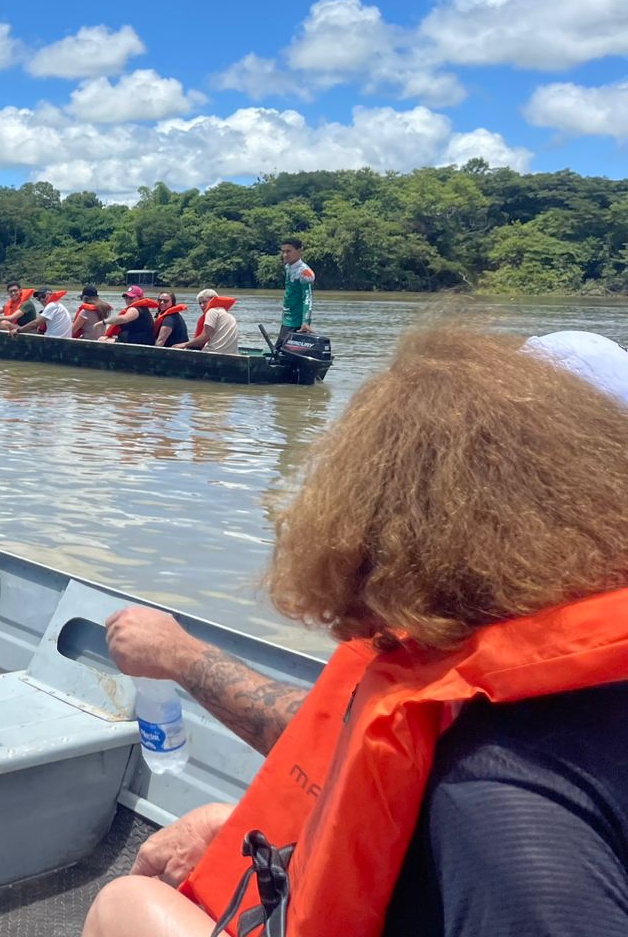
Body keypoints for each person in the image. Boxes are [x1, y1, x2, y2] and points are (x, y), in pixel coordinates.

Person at [84, 328, 628, 937]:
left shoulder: (506, 791)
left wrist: (182, 658)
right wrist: (235, 820)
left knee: (125, 905)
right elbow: (345, 746)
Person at [278, 238, 315, 344]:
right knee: (278, 352)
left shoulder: (305, 272)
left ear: (299, 251)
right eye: (283, 251)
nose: (285, 255)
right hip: (287, 318)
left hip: (296, 322)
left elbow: (308, 298)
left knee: (282, 353)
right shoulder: (288, 267)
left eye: (289, 251)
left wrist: (306, 322)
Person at [181, 289, 239, 354]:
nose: (202, 305)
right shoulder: (229, 315)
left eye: (204, 302)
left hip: (214, 352)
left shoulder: (212, 312)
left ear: (213, 300)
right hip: (231, 354)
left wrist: (184, 345)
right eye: (200, 303)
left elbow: (204, 337)